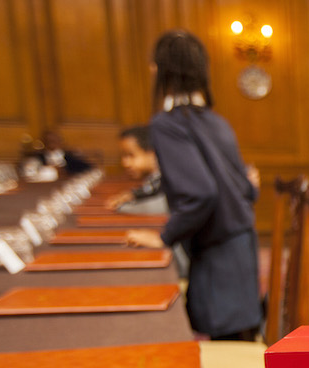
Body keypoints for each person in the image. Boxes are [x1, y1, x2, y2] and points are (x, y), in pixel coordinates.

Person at [125, 30, 262, 342]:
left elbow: (201, 194)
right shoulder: (216, 121)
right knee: (237, 340)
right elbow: (247, 189)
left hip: (218, 259)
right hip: (241, 248)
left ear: (162, 71)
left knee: (225, 345)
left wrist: (164, 236)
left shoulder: (168, 123)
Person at [106, 125, 168, 214]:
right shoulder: (154, 179)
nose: (125, 163)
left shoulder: (169, 178)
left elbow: (162, 206)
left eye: (131, 155)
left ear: (152, 153)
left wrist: (121, 207)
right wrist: (133, 195)